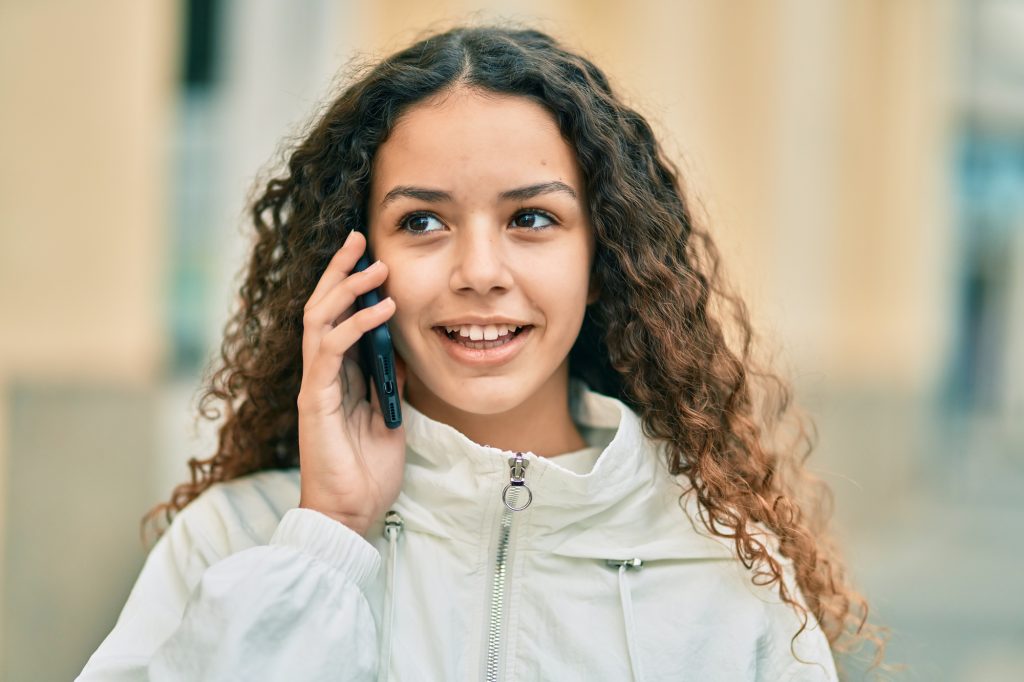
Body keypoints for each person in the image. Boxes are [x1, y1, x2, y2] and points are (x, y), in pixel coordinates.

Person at [77, 23, 883, 681]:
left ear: (602, 261)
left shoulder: (722, 573)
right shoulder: (240, 540)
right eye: (422, 222)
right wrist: (328, 539)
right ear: (355, 267)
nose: (481, 273)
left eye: (532, 218)